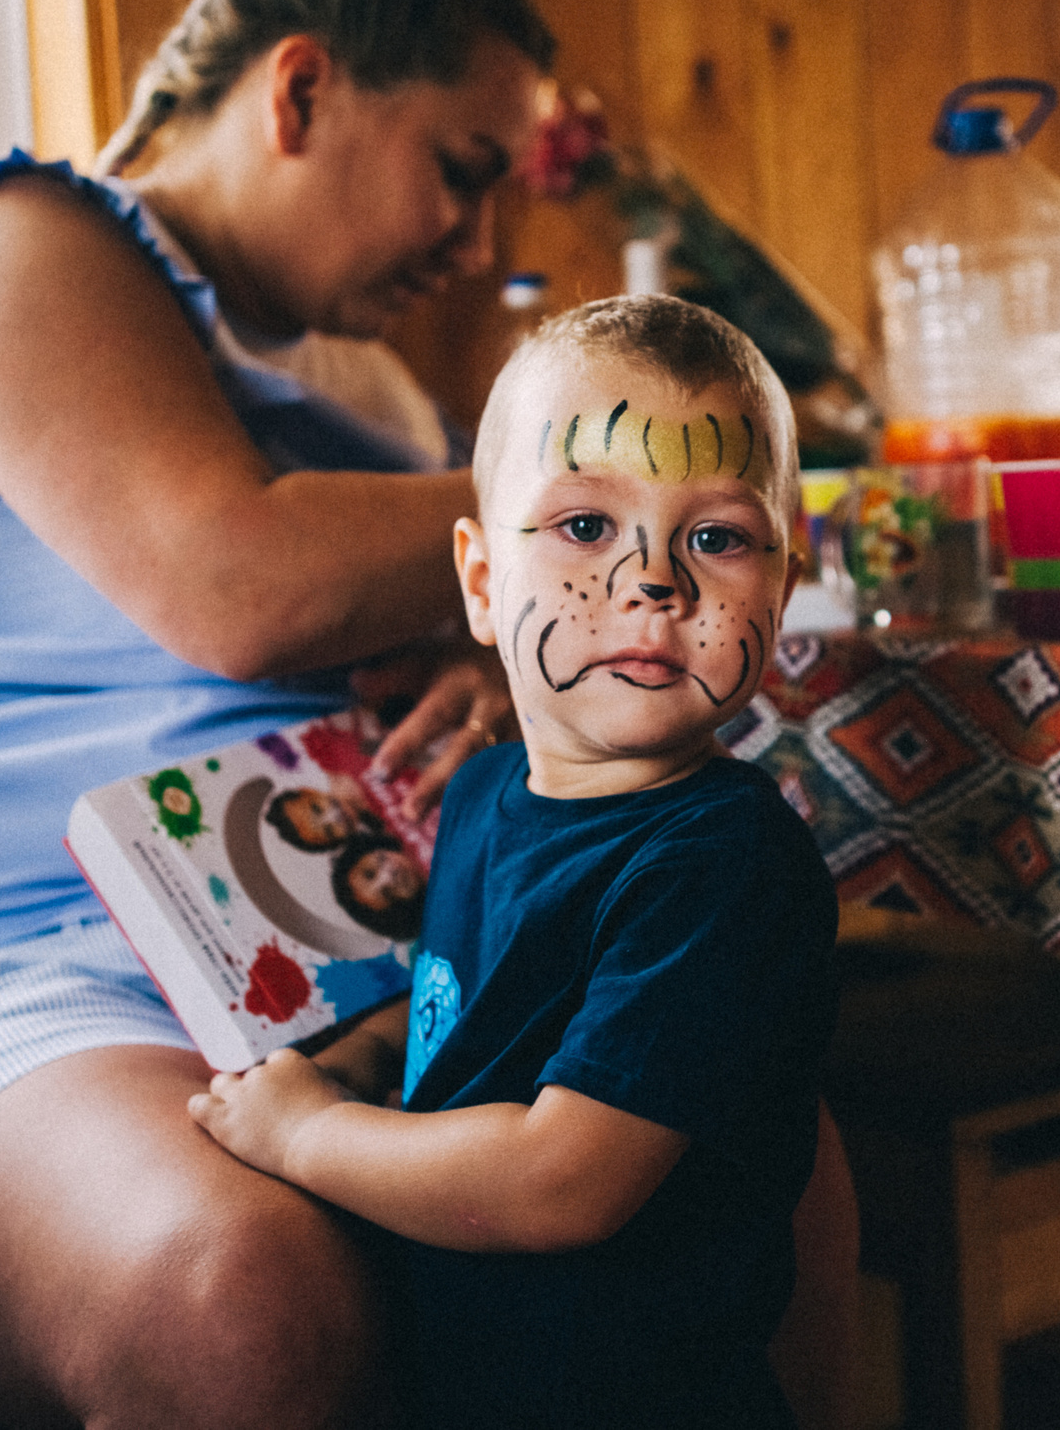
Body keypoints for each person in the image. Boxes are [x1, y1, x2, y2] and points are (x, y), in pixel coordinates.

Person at [0, 0, 857, 1430]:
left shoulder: (367, 383)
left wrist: (498, 676)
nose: (478, 241)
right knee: (242, 1296)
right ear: (301, 91)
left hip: (364, 964)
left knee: (751, 1134)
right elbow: (236, 583)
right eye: (461, 173)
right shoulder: (18, 247)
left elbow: (446, 634)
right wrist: (662, 501)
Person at [190, 294, 836, 1429]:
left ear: (780, 591)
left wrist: (305, 1133)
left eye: (719, 538)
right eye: (585, 526)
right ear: (482, 586)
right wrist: (365, 1054)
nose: (654, 582)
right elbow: (480, 998)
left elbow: (561, 1182)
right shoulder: (486, 790)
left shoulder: (722, 865)